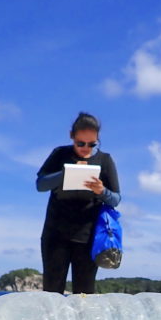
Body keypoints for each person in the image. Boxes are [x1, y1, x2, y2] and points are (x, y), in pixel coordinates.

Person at [36, 112, 121, 294]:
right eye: (80, 143)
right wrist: (65, 174)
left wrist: (102, 191)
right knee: (52, 293)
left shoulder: (105, 160)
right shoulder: (60, 154)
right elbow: (40, 184)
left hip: (88, 237)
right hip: (55, 235)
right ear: (71, 136)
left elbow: (116, 199)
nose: (85, 148)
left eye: (91, 144)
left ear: (97, 140)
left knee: (84, 295)